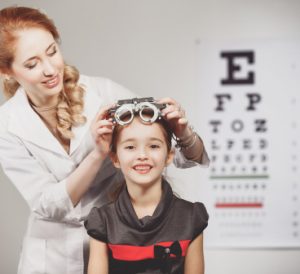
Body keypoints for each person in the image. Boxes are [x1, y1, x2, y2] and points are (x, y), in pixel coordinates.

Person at [0, 6, 209, 274]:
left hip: (118, 240)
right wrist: (98, 154)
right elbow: (48, 206)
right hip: (51, 257)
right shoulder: (6, 126)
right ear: (7, 71)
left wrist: (182, 132)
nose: (51, 69)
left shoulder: (103, 93)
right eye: (32, 64)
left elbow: (173, 154)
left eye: (52, 51)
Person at [84, 98, 208, 274]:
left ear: (169, 155)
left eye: (154, 146)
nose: (142, 155)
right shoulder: (102, 221)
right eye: (130, 147)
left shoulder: (191, 217)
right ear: (115, 158)